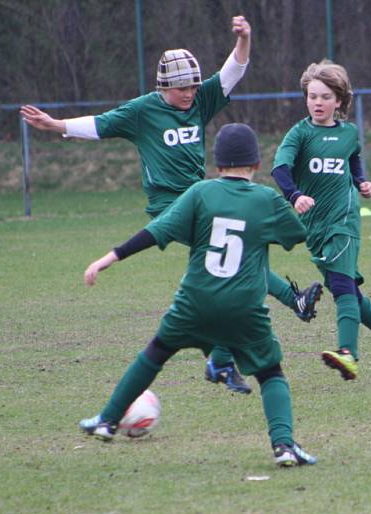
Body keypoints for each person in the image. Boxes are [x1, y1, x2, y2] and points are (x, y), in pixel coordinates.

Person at [19, 16, 322, 395]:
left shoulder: (198, 101)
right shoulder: (142, 111)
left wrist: (245, 38)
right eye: (182, 88)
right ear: (164, 86)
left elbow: (234, 71)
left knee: (231, 266)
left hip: (202, 201)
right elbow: (98, 125)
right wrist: (55, 125)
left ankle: (221, 360)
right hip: (169, 206)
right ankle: (276, 313)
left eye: (194, 87)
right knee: (235, 264)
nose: (190, 94)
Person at [79, 123, 317, 467]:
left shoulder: (200, 193)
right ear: (256, 163)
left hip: (195, 303)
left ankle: (107, 420)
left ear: (216, 163)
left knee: (155, 353)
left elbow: (157, 230)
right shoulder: (266, 199)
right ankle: (284, 447)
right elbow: (296, 235)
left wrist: (110, 257)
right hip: (243, 307)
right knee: (270, 373)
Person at [271, 60, 371, 381]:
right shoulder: (300, 133)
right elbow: (280, 169)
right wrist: (294, 196)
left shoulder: (348, 133)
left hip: (344, 221)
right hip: (315, 227)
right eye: (312, 96)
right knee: (343, 289)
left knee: (343, 285)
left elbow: (354, 158)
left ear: (339, 101)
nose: (317, 103)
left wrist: (362, 182)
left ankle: (348, 354)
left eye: (325, 97)